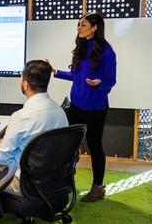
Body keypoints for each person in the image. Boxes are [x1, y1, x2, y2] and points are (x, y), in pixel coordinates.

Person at [0, 60, 68, 197]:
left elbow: (2, 158)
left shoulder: (21, 116)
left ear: (25, 84)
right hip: (54, 181)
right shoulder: (60, 111)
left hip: (25, 184)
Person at [51, 12, 117, 202]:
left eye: (83, 25)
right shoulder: (80, 47)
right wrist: (56, 72)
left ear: (95, 27)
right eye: (79, 25)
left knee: (95, 146)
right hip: (76, 106)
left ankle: (97, 188)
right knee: (69, 145)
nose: (79, 28)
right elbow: (75, 76)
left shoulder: (106, 51)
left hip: (96, 108)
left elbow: (111, 79)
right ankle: (64, 183)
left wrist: (99, 82)